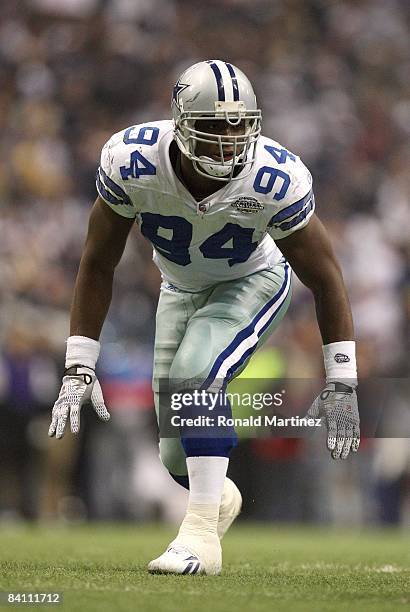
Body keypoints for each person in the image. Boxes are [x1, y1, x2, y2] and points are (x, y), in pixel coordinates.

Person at [48, 60, 360, 575]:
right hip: (179, 288)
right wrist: (79, 363)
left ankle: (199, 541)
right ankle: (216, 499)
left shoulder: (274, 177)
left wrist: (343, 379)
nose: (230, 139)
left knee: (197, 374)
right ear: (181, 123)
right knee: (176, 455)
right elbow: (98, 260)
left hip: (252, 282)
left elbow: (325, 276)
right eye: (216, 125)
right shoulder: (133, 160)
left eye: (240, 124)